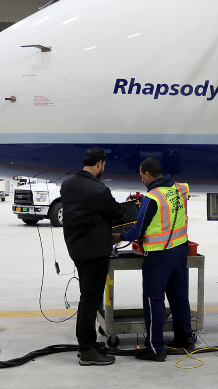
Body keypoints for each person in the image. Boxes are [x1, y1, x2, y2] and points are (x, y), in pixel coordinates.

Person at [114, 158, 195, 361]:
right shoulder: (179, 188)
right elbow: (175, 202)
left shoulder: (153, 198)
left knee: (154, 300)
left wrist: (119, 236)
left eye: (142, 175)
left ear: (148, 175)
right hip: (180, 250)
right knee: (179, 296)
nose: (141, 179)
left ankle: (155, 348)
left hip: (159, 255)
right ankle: (185, 338)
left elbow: (137, 231)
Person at [61, 147, 124, 366]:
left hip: (76, 249)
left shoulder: (67, 184)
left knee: (88, 297)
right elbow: (117, 212)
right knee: (90, 300)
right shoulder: (99, 189)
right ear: (100, 163)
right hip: (94, 252)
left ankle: (87, 344)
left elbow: (82, 212)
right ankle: (87, 350)